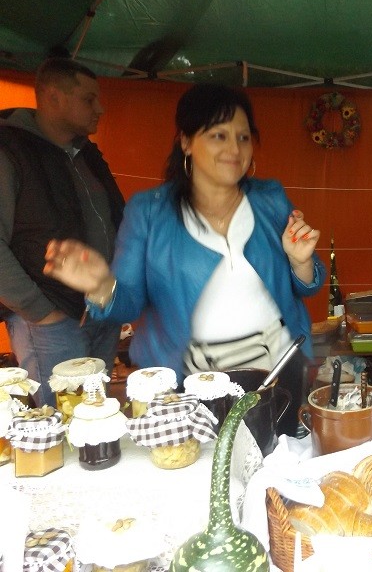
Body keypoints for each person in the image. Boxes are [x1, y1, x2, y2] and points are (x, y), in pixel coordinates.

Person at [43, 84, 326, 437]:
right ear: (186, 142)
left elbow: (305, 285)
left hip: (278, 373)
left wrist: (300, 262)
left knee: (278, 463)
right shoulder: (150, 211)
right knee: (203, 465)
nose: (234, 149)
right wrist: (102, 285)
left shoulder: (270, 199)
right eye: (219, 135)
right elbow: (129, 302)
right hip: (192, 385)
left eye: (243, 137)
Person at [0, 58, 125, 407]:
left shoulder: (87, 153)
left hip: (101, 309)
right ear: (53, 97)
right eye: (89, 99)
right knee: (61, 422)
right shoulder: (10, 151)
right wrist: (40, 311)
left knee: (96, 418)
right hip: (51, 319)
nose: (100, 108)